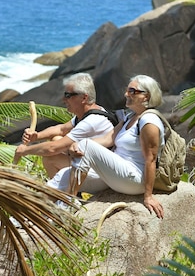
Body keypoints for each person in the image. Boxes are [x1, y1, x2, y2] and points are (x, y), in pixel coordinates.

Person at [57, 74, 166, 218]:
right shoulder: (129, 117)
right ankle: (28, 218)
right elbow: (109, 138)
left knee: (85, 145)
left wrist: (148, 196)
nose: (126, 94)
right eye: (127, 90)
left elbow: (151, 159)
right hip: (119, 175)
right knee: (61, 177)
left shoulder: (149, 121)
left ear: (146, 96)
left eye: (132, 91)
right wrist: (78, 145)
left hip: (135, 179)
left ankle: (69, 203)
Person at [13, 72, 116, 178]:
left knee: (51, 158)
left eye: (68, 95)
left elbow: (52, 148)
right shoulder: (89, 113)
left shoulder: (91, 121)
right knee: (56, 138)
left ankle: (60, 193)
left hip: (102, 175)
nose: (63, 100)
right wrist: (36, 136)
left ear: (84, 98)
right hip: (95, 166)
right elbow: (61, 129)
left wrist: (25, 151)